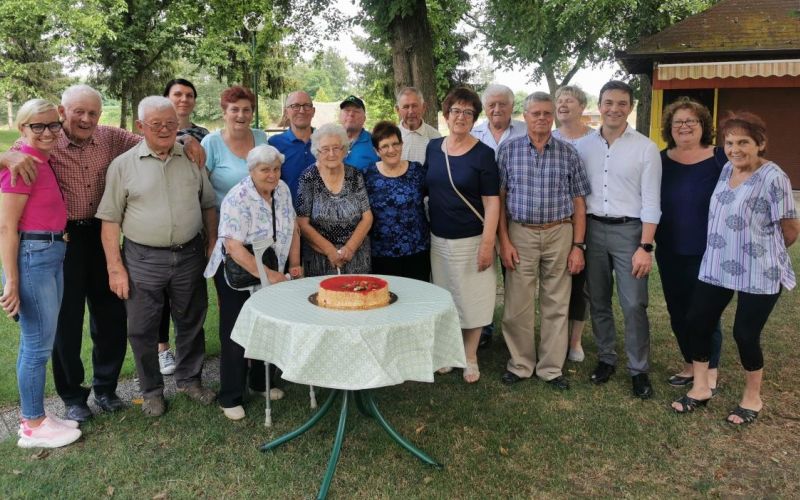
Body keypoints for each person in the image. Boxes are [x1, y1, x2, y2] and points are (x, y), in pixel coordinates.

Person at [0, 84, 206, 423]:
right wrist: (6, 154)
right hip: (62, 241)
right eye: (78, 112)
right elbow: (17, 157)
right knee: (66, 323)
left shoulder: (110, 137)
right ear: (63, 113)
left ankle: (107, 388)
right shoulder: (44, 141)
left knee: (111, 315)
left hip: (101, 233)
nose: (85, 118)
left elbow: (154, 132)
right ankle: (73, 397)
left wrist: (187, 138)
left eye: (92, 112)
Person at [671, 112, 799, 425]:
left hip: (759, 268)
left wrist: (762, 249)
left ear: (761, 143)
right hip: (717, 263)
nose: (735, 148)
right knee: (697, 321)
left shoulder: (774, 177)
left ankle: (753, 396)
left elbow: (791, 228)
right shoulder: (727, 168)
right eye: (730, 142)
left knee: (745, 334)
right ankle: (701, 388)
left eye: (743, 142)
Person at [96, 96, 217, 417]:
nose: (164, 130)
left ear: (178, 126)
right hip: (142, 259)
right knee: (141, 328)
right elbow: (110, 222)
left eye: (170, 124)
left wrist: (212, 241)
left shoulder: (192, 158)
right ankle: (151, 391)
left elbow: (208, 204)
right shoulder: (123, 165)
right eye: (156, 125)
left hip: (190, 254)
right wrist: (115, 268)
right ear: (140, 127)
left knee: (191, 320)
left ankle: (190, 380)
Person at [1, 99, 81, 448]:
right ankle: (32, 425)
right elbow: (6, 227)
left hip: (51, 254)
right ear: (22, 128)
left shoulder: (38, 160)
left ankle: (37, 416)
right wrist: (12, 280)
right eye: (38, 126)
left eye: (53, 125)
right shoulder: (19, 165)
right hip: (33, 259)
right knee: (35, 346)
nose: (48, 132)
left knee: (40, 343)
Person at [497, 92, 590, 390]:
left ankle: (551, 368)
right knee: (517, 303)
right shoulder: (508, 151)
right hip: (520, 232)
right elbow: (498, 200)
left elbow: (579, 203)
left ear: (552, 117)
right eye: (535, 113)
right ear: (524, 117)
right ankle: (521, 364)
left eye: (546, 113)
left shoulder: (568, 153)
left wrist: (578, 245)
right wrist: (505, 242)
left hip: (559, 232)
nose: (541, 118)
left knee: (557, 302)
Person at [575, 80, 661, 399]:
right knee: (598, 299)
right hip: (594, 230)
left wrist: (645, 246)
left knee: (634, 303)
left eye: (621, 103)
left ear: (630, 107)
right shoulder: (583, 146)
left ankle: (639, 370)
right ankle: (607, 358)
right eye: (608, 102)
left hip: (630, 232)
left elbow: (652, 201)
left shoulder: (645, 148)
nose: (614, 109)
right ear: (599, 105)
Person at [204, 145, 301, 420]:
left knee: (266, 326)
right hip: (239, 273)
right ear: (251, 170)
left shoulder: (282, 189)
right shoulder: (238, 197)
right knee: (237, 333)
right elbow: (234, 247)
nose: (272, 175)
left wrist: (294, 265)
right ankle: (230, 396)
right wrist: (270, 276)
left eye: (276, 169)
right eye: (264, 170)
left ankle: (260, 382)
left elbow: (293, 227)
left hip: (273, 269)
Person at [200, 85, 278, 400]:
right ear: (225, 111)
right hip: (228, 242)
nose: (241, 115)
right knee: (234, 317)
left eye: (246, 109)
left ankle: (262, 381)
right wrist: (210, 239)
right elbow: (203, 195)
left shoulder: (261, 139)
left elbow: (272, 181)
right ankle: (231, 391)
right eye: (235, 110)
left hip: (264, 242)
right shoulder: (211, 144)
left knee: (264, 313)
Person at [425, 87, 499, 384]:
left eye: (468, 113)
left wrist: (487, 243)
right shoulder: (433, 148)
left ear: (474, 119)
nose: (461, 117)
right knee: (445, 297)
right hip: (439, 238)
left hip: (472, 239)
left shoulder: (484, 154)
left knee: (473, 299)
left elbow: (492, 201)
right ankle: (447, 352)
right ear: (446, 115)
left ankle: (470, 355)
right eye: (456, 110)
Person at [656, 97, 725, 391]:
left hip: (709, 249)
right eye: (678, 122)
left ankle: (709, 370)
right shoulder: (660, 160)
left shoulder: (722, 158)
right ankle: (688, 364)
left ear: (703, 126)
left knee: (704, 312)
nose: (684, 127)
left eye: (691, 122)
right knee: (677, 309)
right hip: (670, 248)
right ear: (670, 128)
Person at [157, 78, 212, 376]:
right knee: (160, 292)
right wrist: (181, 138)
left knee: (189, 291)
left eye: (189, 95)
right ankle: (162, 349)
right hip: (160, 216)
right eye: (177, 94)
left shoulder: (203, 135)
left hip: (193, 215)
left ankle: (188, 350)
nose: (183, 99)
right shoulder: (151, 130)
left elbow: (207, 176)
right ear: (166, 97)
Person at [470, 83, 527, 349]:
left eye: (502, 104)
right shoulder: (474, 132)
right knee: (483, 274)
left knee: (512, 272)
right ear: (484, 107)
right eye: (491, 104)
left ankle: (514, 330)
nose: (497, 109)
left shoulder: (525, 131)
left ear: (511, 106)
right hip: (478, 215)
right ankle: (484, 327)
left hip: (514, 214)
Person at [553, 85, 597, 363]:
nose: (563, 104)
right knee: (556, 283)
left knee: (579, 280)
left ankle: (575, 340)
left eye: (569, 100)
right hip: (555, 221)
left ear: (582, 106)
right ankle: (553, 337)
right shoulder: (549, 137)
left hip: (585, 218)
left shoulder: (595, 140)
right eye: (559, 100)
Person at [296, 123, 373, 276]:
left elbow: (367, 217)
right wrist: (330, 250)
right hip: (320, 260)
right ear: (317, 152)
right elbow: (302, 223)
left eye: (336, 148)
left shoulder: (355, 175)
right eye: (325, 149)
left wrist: (349, 248)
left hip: (356, 257)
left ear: (344, 150)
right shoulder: (308, 178)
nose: (331, 153)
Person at [364, 121, 430, 281]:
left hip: (417, 251)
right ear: (377, 151)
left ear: (402, 144)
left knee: (418, 300)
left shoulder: (417, 170)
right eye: (385, 146)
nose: (391, 150)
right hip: (382, 254)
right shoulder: (368, 175)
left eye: (395, 144)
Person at [268, 90, 316, 201]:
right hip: (287, 215)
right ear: (286, 112)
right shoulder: (274, 144)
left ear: (313, 111)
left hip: (322, 216)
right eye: (295, 106)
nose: (302, 110)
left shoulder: (325, 142)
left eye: (307, 106)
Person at [395, 87, 441, 164]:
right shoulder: (392, 137)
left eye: (415, 106)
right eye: (406, 107)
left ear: (423, 107)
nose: (411, 111)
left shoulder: (435, 137)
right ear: (398, 110)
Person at [339, 95, 380, 171]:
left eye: (356, 111)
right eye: (347, 110)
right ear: (340, 116)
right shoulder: (329, 141)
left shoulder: (376, 142)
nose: (351, 114)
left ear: (364, 118)